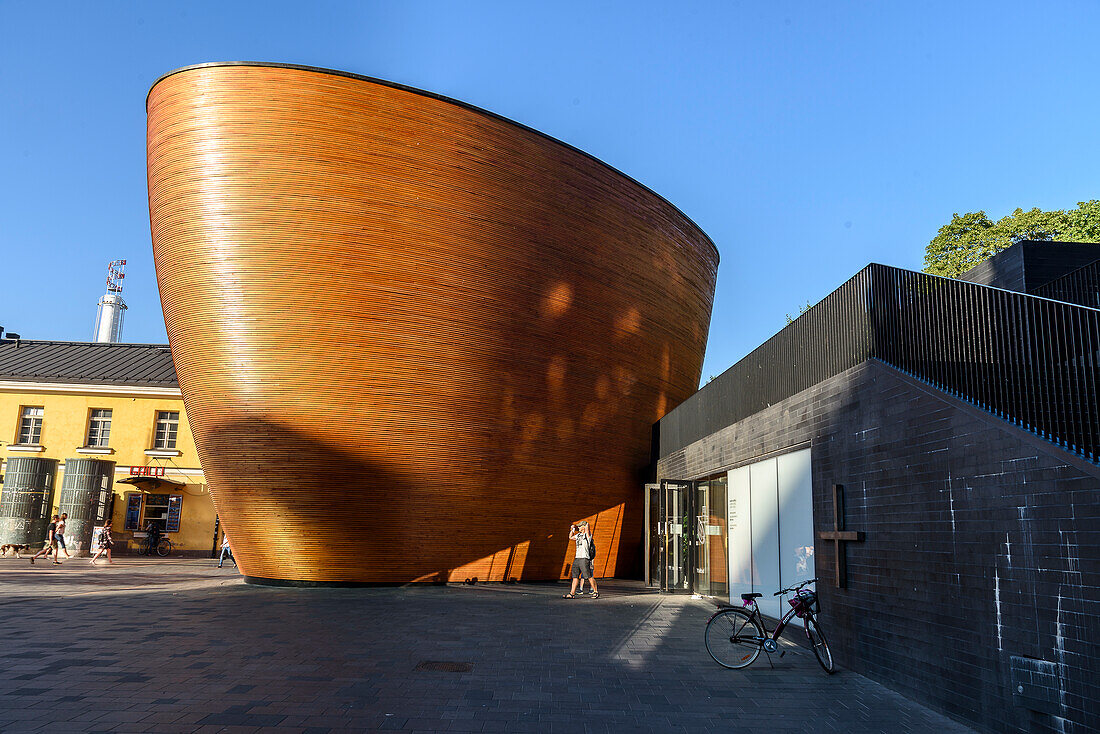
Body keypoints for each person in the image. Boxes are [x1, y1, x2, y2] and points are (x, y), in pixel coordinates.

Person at [562, 520, 599, 599]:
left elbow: (588, 528)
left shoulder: (587, 535)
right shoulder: (578, 535)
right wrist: (572, 530)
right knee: (575, 577)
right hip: (577, 558)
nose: (578, 527)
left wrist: (586, 524)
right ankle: (572, 594)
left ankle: (595, 592)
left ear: (584, 527)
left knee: (589, 576)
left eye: (580, 526)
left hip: (584, 558)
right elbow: (570, 537)